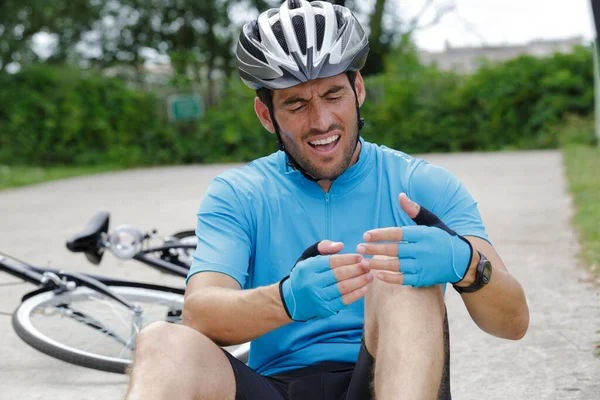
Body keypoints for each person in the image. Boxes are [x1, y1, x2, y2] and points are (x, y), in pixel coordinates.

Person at [125, 1, 529, 399]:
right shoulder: (239, 193)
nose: (320, 122)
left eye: (333, 95)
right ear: (266, 115)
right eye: (296, 104)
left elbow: (513, 322)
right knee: (161, 342)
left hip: (389, 380)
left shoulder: (423, 184)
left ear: (358, 90)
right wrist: (285, 299)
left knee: (402, 281)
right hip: (275, 387)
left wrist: (467, 266)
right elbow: (200, 313)